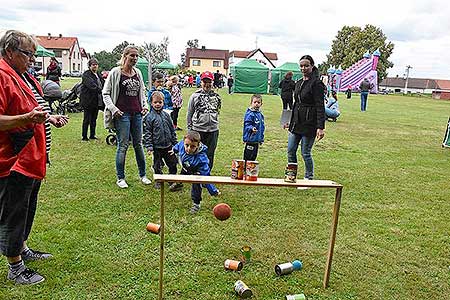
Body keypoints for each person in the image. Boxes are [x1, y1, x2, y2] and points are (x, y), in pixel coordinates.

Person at [0, 29, 56, 285]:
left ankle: (22, 248)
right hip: (15, 160)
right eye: (27, 54)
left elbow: (36, 108)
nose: (32, 59)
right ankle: (15, 267)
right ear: (9, 52)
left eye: (34, 55)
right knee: (14, 210)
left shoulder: (22, 76)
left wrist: (48, 117)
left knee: (27, 207)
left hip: (33, 157)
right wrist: (26, 119)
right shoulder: (2, 76)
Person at [102, 45, 151, 189]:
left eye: (136, 56)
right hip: (122, 115)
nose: (135, 59)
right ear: (125, 56)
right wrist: (113, 109)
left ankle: (143, 175)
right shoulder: (115, 72)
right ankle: (120, 178)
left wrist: (145, 105)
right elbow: (105, 93)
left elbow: (142, 91)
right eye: (132, 56)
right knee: (122, 145)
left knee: (138, 144)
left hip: (137, 114)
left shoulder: (138, 73)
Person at [285, 55, 325, 183]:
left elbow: (320, 106)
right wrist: (288, 121)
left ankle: (309, 178)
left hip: (309, 123)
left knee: (305, 153)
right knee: (291, 150)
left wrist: (320, 127)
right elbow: (295, 103)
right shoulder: (298, 83)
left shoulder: (317, 83)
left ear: (312, 66)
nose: (303, 68)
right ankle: (292, 175)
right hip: (296, 122)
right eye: (301, 66)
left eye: (306, 65)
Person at [171, 131, 220, 213]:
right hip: (186, 167)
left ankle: (196, 204)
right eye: (187, 145)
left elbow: (206, 177)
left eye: (193, 146)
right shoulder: (182, 144)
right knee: (181, 176)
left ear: (198, 145)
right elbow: (178, 146)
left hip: (196, 172)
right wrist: (174, 150)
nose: (189, 149)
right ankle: (179, 183)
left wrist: (213, 190)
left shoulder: (201, 159)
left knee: (196, 186)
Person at [143, 91, 179, 190]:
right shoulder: (149, 117)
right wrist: (149, 146)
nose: (158, 104)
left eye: (160, 102)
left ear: (163, 103)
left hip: (168, 146)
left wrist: (175, 143)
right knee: (157, 165)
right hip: (156, 147)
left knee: (172, 163)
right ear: (151, 103)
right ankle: (159, 180)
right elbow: (148, 133)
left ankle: (172, 179)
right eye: (155, 102)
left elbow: (172, 130)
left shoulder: (167, 115)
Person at [186, 71, 221, 170]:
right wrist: (190, 130)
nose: (207, 84)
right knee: (195, 152)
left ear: (212, 82)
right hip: (198, 129)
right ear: (201, 82)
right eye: (204, 81)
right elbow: (189, 113)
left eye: (209, 81)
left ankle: (206, 176)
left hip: (213, 130)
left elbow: (217, 111)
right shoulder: (194, 96)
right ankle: (195, 175)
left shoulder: (217, 96)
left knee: (210, 154)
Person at [80, 58, 104, 141]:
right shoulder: (86, 74)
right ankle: (84, 136)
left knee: (94, 118)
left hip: (96, 101)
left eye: (96, 64)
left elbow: (103, 83)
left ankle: (92, 135)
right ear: (89, 66)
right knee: (87, 119)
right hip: (88, 100)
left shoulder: (98, 74)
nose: (95, 66)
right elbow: (92, 86)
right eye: (93, 65)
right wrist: (102, 91)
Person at [242, 94, 265, 161]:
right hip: (250, 140)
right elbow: (247, 124)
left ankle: (251, 170)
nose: (256, 104)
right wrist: (251, 128)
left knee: (253, 156)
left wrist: (261, 139)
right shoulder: (250, 114)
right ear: (251, 103)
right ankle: (245, 169)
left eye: (258, 102)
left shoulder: (260, 114)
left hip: (256, 141)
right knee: (248, 157)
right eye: (255, 102)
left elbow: (262, 128)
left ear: (261, 104)